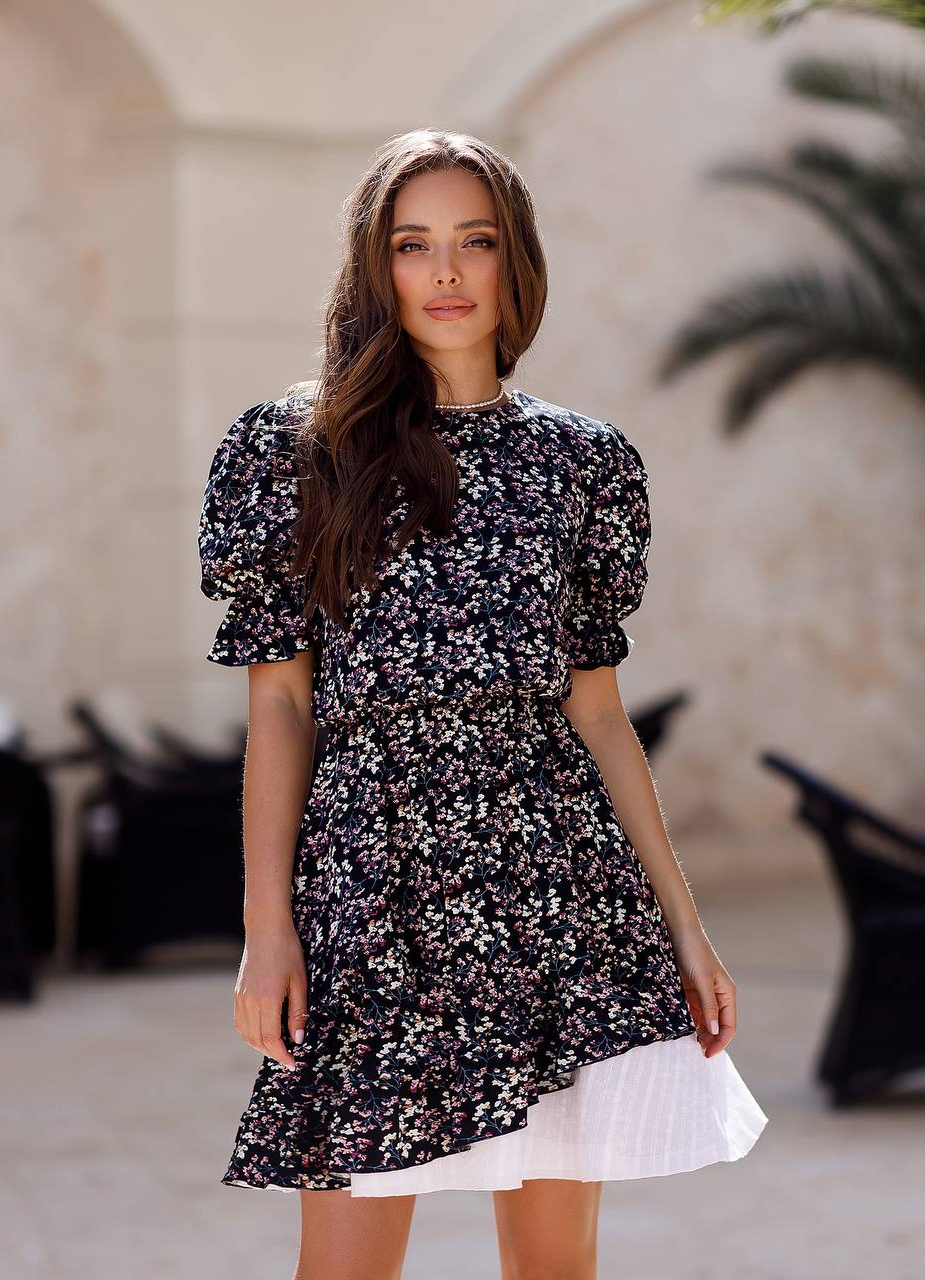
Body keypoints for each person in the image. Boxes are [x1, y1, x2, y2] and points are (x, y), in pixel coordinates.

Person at [197, 127, 767, 1280]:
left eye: (476, 241)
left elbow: (597, 714)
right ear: (376, 267)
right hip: (374, 889)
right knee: (344, 1263)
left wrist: (684, 925)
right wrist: (268, 927)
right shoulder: (295, 449)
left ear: (517, 261)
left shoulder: (582, 462)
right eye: (412, 245)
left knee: (554, 1263)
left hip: (557, 888)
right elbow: (282, 706)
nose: (446, 272)